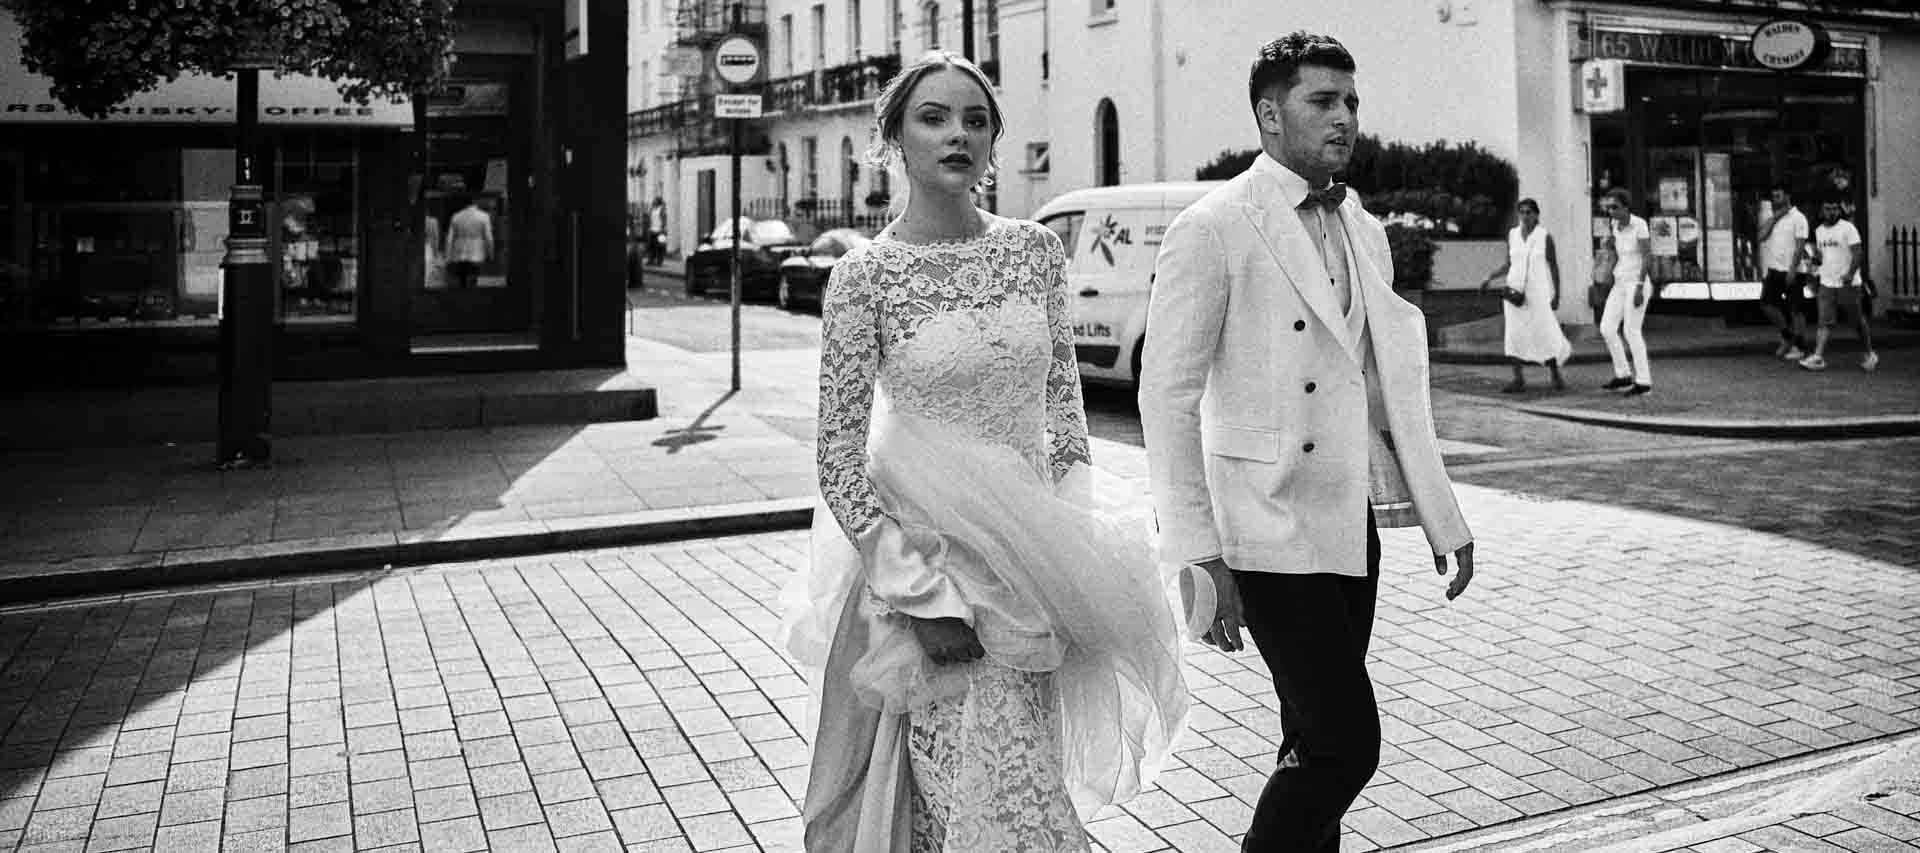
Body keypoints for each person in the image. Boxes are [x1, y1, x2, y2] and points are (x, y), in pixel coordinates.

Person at [781, 50, 1201, 852]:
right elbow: (838, 451)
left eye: (976, 120)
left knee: (1015, 786)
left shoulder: (1036, 253)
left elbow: (1063, 407)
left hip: (1035, 566)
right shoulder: (864, 278)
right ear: (893, 140)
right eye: (933, 118)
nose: (957, 135)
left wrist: (1073, 555)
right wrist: (919, 593)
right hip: (928, 572)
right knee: (962, 798)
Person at [1138, 32, 1476, 852]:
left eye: (1351, 102)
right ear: (1269, 114)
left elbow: (1387, 385)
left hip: (1344, 519)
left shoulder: (1359, 220)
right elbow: (1168, 396)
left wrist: (1443, 517)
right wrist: (1198, 550)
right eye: (1323, 101)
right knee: (1344, 743)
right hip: (1261, 524)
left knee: (1306, 738)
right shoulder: (1213, 225)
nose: (1346, 118)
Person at [1479, 198, 1571, 392]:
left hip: (1537, 293)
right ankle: (1518, 377)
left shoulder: (1544, 236)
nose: (1525, 216)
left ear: (1537, 215)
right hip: (1514, 291)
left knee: (1544, 330)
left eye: (1529, 212)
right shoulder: (1512, 235)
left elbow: (1553, 266)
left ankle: (1555, 374)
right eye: (1522, 212)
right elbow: (1509, 263)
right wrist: (1490, 277)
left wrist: (1557, 295)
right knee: (1514, 333)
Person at [1799, 198, 1878, 372]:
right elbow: (1820, 256)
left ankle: (1869, 352)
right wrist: (1814, 265)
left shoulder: (1848, 228)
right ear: (1822, 210)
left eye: (1835, 208)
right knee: (1824, 321)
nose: (1832, 212)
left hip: (1848, 283)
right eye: (1828, 208)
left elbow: (1857, 253)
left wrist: (1850, 273)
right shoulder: (1819, 230)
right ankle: (1818, 356)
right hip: (1827, 282)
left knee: (1856, 321)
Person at [1597, 187, 1653, 396]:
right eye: (1609, 207)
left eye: (1615, 207)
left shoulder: (1639, 225)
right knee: (1607, 327)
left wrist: (1640, 286)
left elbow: (1647, 256)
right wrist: (1610, 246)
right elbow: (1616, 253)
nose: (1611, 211)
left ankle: (1644, 381)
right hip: (1620, 282)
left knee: (1631, 330)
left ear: (1626, 207)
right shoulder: (1614, 225)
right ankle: (1623, 375)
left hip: (1636, 282)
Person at [1756, 184, 1812, 361]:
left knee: (1796, 309)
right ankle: (1788, 336)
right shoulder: (1773, 218)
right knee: (1767, 304)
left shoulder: (1799, 218)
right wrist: (1775, 218)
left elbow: (1800, 246)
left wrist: (1792, 270)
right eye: (1773, 196)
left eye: (1778, 196)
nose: (1775, 200)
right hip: (1774, 269)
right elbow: (1761, 236)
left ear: (1788, 196)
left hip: (1792, 270)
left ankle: (1800, 346)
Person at [444, 195, 494, 289]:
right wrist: (490, 253)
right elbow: (489, 237)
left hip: (459, 253)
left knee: (461, 281)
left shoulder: (456, 216)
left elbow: (449, 239)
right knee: (473, 279)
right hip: (476, 252)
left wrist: (448, 256)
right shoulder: (484, 216)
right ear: (475, 203)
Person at [647, 196, 669, 265]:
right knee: (651, 246)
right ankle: (651, 260)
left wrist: (663, 229)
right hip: (652, 230)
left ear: (658, 202)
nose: (654, 201)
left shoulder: (661, 209)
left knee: (660, 247)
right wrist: (649, 227)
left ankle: (659, 261)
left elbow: (664, 219)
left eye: (655, 200)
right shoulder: (652, 209)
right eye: (654, 200)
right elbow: (649, 219)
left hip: (660, 231)